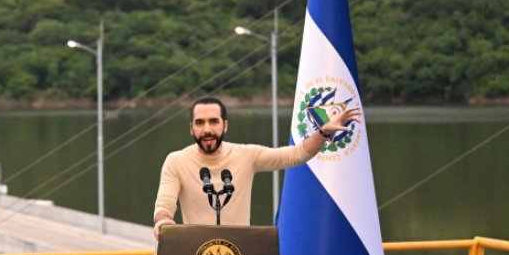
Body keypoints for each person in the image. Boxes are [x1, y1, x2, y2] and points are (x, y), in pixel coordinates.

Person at [152, 96, 360, 239]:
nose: (207, 129)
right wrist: (163, 222)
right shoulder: (176, 161)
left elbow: (297, 154)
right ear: (192, 129)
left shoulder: (246, 155)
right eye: (200, 123)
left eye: (214, 122)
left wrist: (323, 133)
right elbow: (164, 206)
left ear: (225, 126)